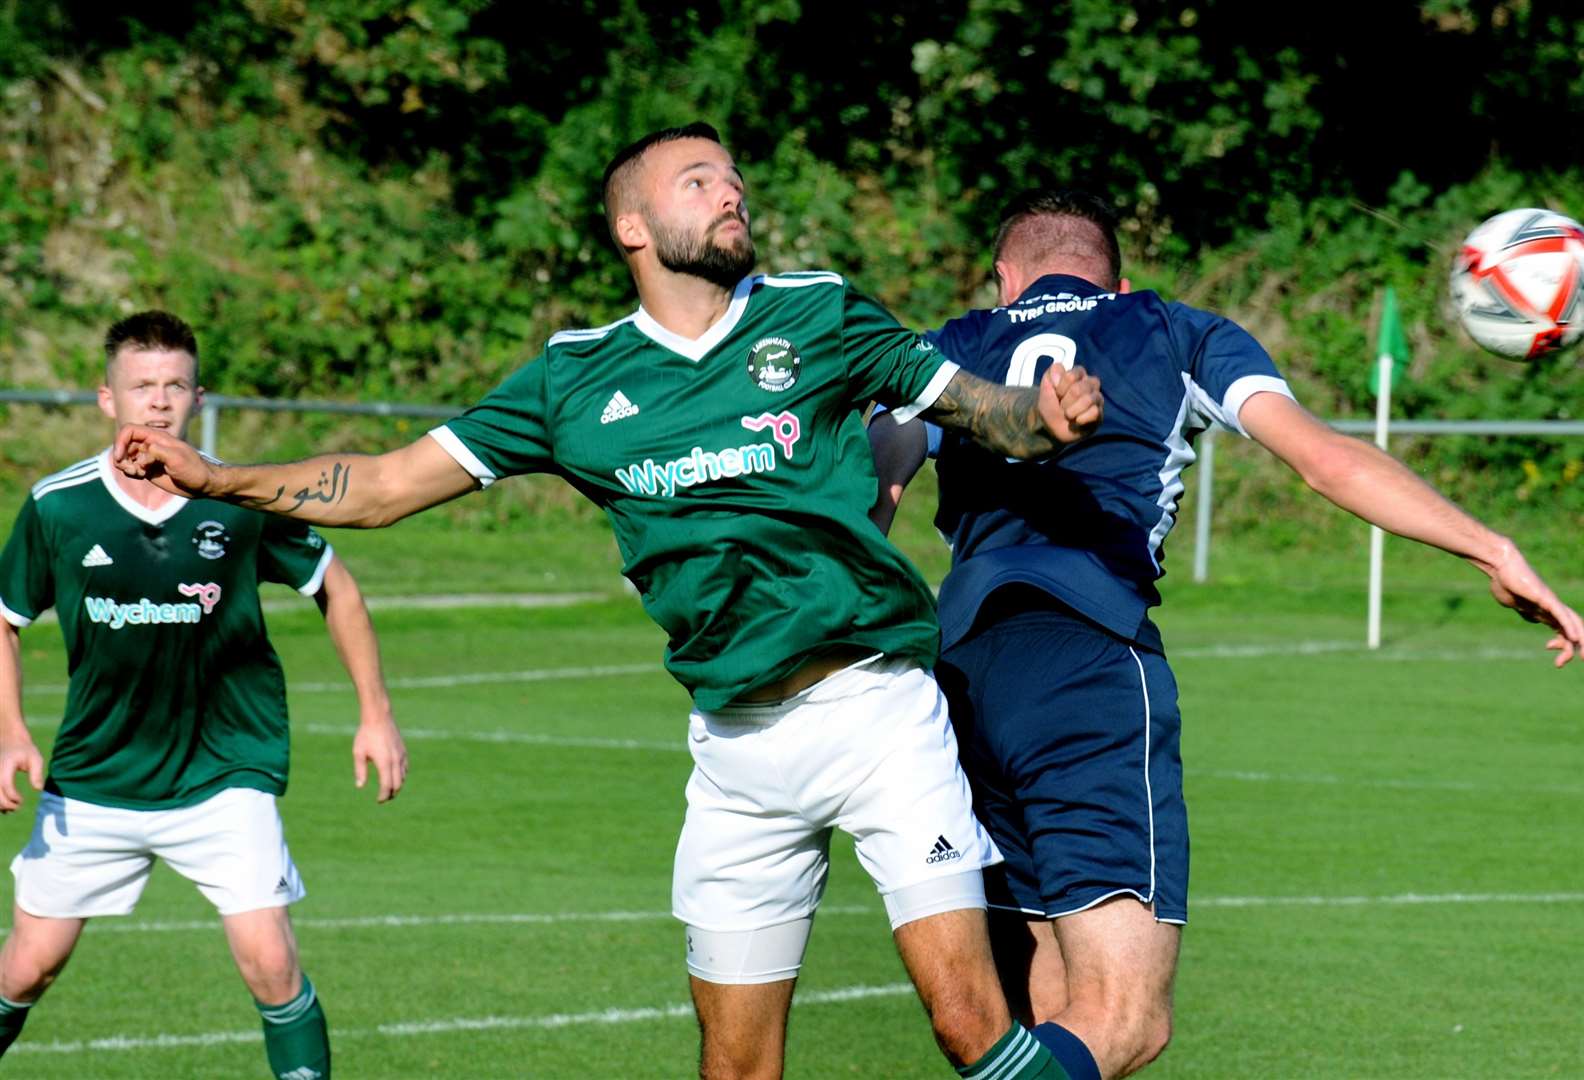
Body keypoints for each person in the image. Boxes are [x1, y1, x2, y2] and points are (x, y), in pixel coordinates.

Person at [111, 125, 1105, 1080]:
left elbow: (986, 410)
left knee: (970, 1022)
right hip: (735, 750)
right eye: (699, 181)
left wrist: (1042, 416)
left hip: (878, 713)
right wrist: (218, 476)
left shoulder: (821, 315)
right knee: (735, 1065)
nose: (731, 193)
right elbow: (379, 486)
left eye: (735, 181)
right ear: (632, 226)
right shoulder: (573, 380)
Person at [866, 188, 1584, 1080]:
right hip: (1087, 662)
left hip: (961, 680)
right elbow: (1322, 458)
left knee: (1047, 1017)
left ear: (1005, 281)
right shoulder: (1175, 332)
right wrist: (1490, 547)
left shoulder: (946, 350)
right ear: (1119, 278)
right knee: (1122, 1019)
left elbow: (870, 497)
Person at [0, 310, 408, 1079]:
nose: (158, 402)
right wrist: (11, 732)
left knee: (268, 961)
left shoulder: (240, 499)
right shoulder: (59, 505)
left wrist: (375, 716)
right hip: (96, 777)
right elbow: (5, 618)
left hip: (224, 770)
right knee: (26, 968)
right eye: (141, 386)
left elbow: (338, 588)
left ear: (197, 397)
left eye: (175, 386)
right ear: (106, 399)